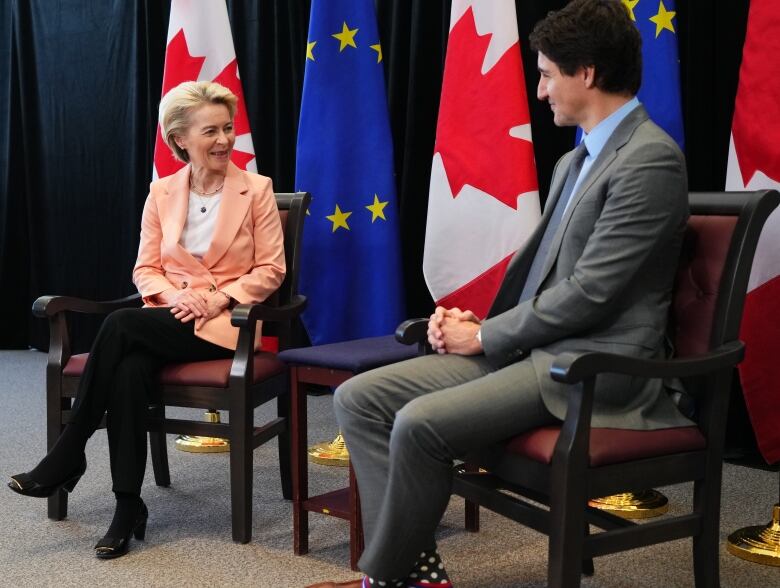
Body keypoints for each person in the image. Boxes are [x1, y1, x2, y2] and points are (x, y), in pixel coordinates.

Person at [308, 1, 693, 587]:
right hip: (540, 350)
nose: (541, 92)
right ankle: (417, 570)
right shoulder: (576, 159)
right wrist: (475, 323)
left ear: (585, 72)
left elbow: (592, 295)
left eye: (545, 75)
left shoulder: (650, 160)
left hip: (593, 366)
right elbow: (544, 275)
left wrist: (485, 335)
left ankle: (383, 578)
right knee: (359, 399)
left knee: (418, 425)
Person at [7, 81, 285, 559]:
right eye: (210, 131)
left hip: (228, 327)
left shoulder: (255, 189)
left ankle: (69, 453)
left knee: (119, 327)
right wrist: (180, 295)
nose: (223, 140)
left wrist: (214, 297)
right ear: (180, 139)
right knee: (129, 371)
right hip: (169, 317)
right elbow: (145, 268)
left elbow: (272, 270)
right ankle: (127, 506)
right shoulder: (162, 192)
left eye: (227, 129)